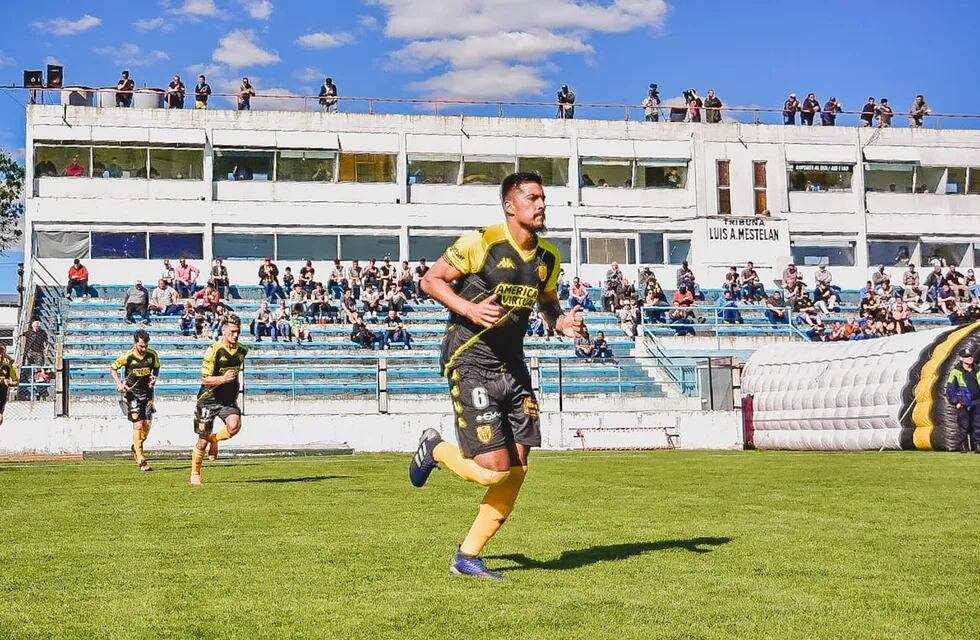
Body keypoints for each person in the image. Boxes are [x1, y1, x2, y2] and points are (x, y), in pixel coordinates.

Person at [409, 172, 585, 581]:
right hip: (471, 362)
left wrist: (562, 324)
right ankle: (434, 448)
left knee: (518, 468)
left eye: (543, 198)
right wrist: (469, 310)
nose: (541, 205)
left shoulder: (547, 259)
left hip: (513, 367)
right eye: (532, 198)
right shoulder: (480, 242)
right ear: (510, 205)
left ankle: (467, 556)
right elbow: (430, 280)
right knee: (493, 471)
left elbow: (549, 307)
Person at [190, 315, 248, 485]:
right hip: (208, 399)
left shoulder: (243, 351)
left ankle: (215, 439)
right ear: (224, 330)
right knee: (202, 440)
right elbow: (204, 379)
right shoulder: (214, 350)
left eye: (238, 332)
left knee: (234, 425)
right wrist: (222, 379)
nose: (236, 335)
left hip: (227, 400)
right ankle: (195, 473)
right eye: (232, 332)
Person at [110, 330, 159, 472]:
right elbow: (113, 369)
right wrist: (119, 384)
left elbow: (156, 368)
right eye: (141, 346)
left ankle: (135, 446)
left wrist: (154, 377)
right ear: (135, 343)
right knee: (138, 425)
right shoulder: (128, 356)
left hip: (148, 393)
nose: (143, 349)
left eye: (145, 346)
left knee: (147, 425)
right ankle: (141, 459)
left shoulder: (152, 355)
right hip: (133, 394)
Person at [945, 349, 980, 452]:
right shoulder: (955, 372)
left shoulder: (977, 370)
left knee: (978, 425)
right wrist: (957, 401)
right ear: (961, 359)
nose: (970, 358)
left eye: (970, 356)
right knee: (964, 426)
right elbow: (950, 389)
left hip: (977, 400)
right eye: (966, 356)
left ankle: (977, 446)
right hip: (964, 402)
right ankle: (963, 446)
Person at [0, 344, 18, 429]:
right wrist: (2, 380)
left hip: (2, 396)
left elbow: (16, 381)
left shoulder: (7, 366)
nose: (0, 356)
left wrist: (10, 383)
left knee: (0, 419)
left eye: (2, 354)